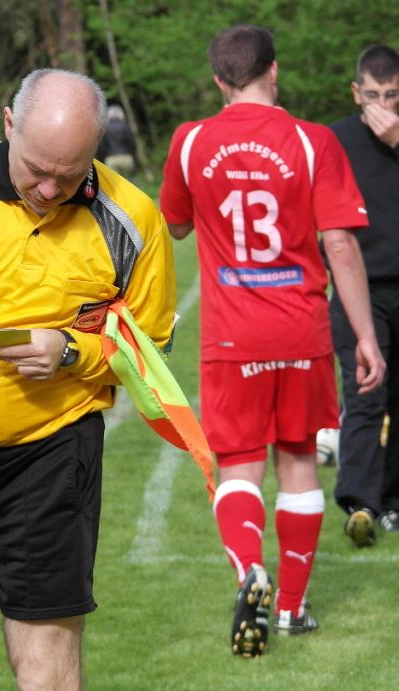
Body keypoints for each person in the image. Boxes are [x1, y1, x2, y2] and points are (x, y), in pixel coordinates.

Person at [0, 69, 176, 690]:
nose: (49, 188)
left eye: (70, 174)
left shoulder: (131, 219)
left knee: (47, 668)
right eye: (37, 169)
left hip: (51, 454)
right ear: (7, 124)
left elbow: (151, 345)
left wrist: (73, 352)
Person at [160, 24, 385, 657]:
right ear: (274, 71)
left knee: (237, 466)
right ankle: (290, 609)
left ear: (218, 80)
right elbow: (339, 242)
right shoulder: (314, 142)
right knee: (297, 463)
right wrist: (365, 335)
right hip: (303, 332)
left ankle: (248, 573)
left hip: (232, 335)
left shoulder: (191, 140)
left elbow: (175, 225)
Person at [330, 45, 399, 547]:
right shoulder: (337, 139)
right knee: (364, 395)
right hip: (361, 290)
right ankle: (360, 503)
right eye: (373, 95)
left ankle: (393, 500)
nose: (382, 105)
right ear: (356, 93)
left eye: (393, 95)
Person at [96, 104, 138, 176]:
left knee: (113, 184)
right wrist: (134, 157)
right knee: (127, 182)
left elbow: (102, 146)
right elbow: (131, 143)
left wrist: (102, 159)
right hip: (126, 157)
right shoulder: (125, 126)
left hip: (111, 159)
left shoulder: (105, 128)